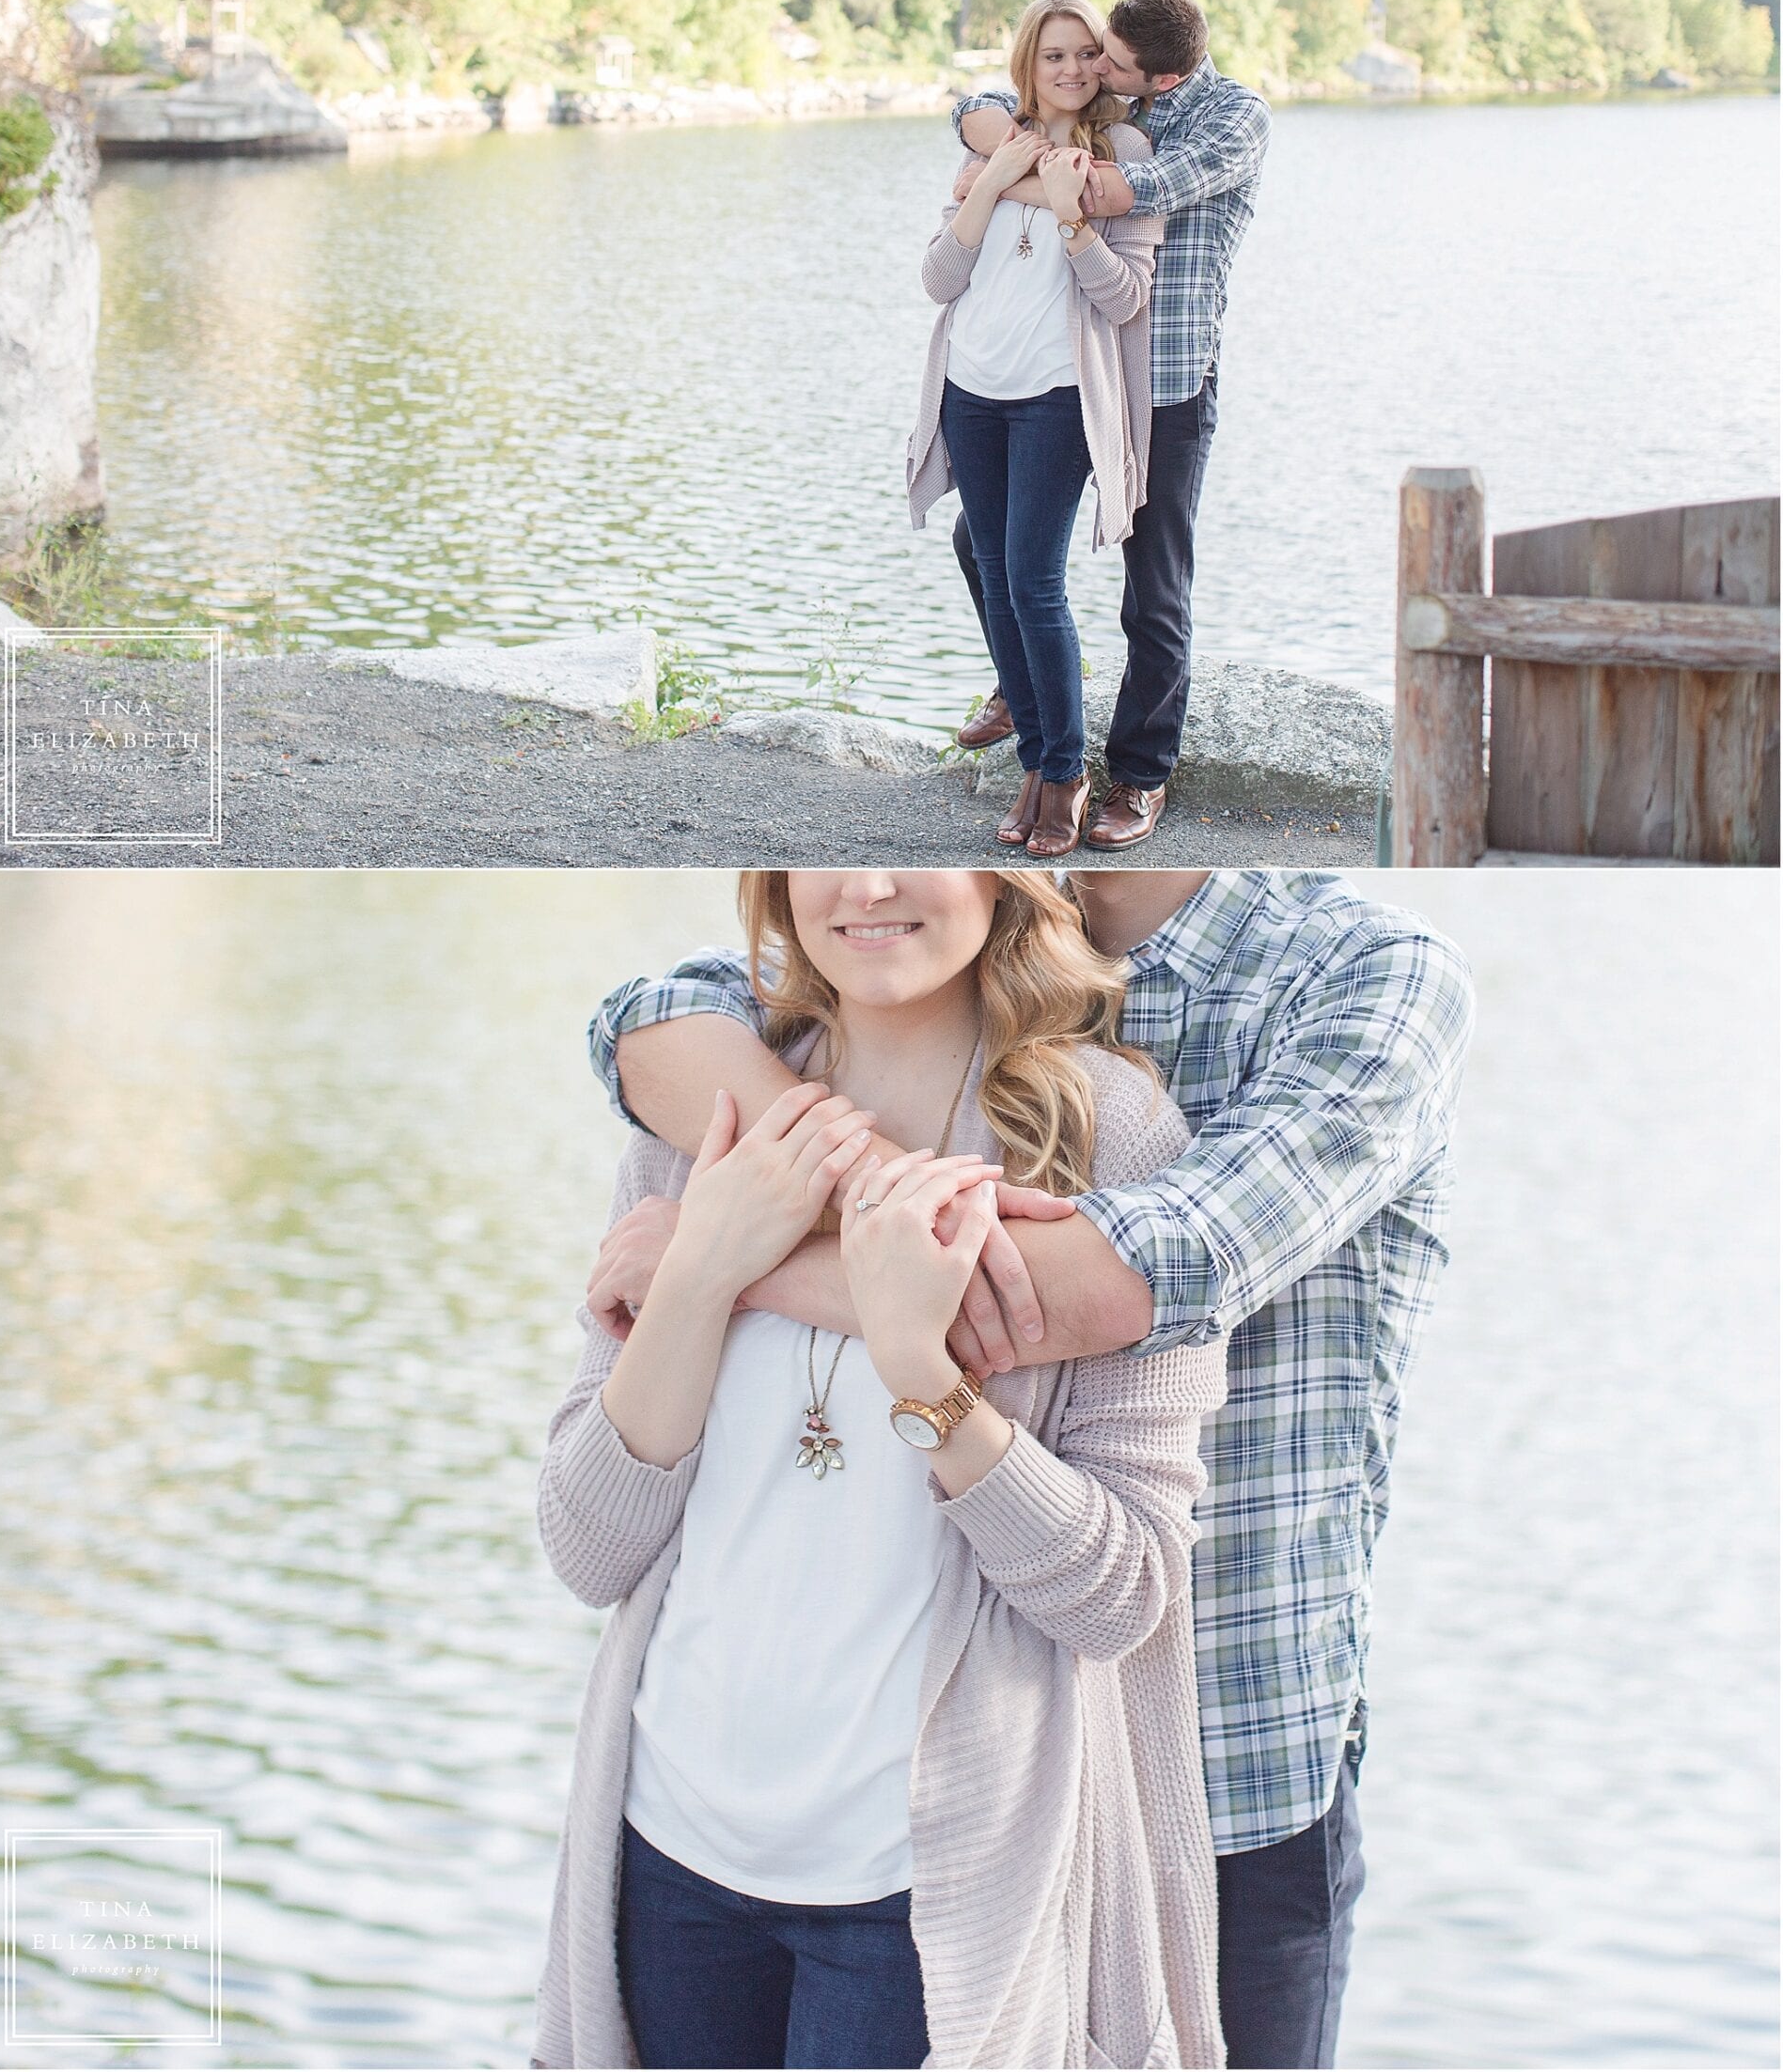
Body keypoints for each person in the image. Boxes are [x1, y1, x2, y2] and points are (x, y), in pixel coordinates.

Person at [586, 869, 1477, 2072]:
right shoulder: (840, 976)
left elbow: (1130, 1283)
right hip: (842, 1807)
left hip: (1222, 1758)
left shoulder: (1344, 976)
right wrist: (736, 1210)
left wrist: (724, 1255)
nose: (872, 875)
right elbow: (647, 1017)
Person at [534, 869, 1230, 2072]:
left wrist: (920, 1363)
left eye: (913, 848)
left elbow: (1120, 1594)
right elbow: (588, 1548)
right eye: (827, 850)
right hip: (667, 1852)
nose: (866, 885)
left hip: (921, 1895)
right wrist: (701, 1272)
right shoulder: (707, 1106)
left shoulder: (1108, 1137)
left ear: (1001, 874)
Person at [949, 0, 1273, 850]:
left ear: (1161, 74)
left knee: (1153, 582)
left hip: (1162, 380)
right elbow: (978, 107)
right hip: (1077, 372)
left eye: (1111, 65)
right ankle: (1024, 692)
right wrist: (1001, 149)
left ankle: (1136, 774)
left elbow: (1114, 191)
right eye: (1091, 59)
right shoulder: (1123, 93)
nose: (1094, 73)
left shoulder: (1229, 120)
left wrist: (997, 180)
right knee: (981, 546)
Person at [908, 0, 1163, 858]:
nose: (1068, 70)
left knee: (1030, 580)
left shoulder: (1125, 151)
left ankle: (1062, 772)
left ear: (1101, 62)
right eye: (1050, 55)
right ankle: (1036, 759)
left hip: (1058, 396)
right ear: (1028, 64)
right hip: (971, 390)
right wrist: (999, 191)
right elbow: (940, 281)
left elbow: (1125, 298)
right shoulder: (999, 140)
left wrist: (1068, 217)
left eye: (1081, 54)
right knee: (987, 558)